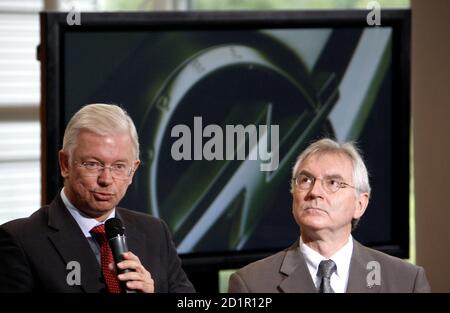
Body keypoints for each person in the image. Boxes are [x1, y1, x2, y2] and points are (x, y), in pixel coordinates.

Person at [0, 103, 195, 293]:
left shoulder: (155, 232)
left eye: (119, 166)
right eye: (93, 164)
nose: (106, 179)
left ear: (133, 170)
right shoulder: (21, 241)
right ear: (65, 164)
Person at [228, 138, 431, 293]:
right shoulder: (251, 283)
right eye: (306, 180)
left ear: (360, 204)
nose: (315, 192)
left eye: (333, 183)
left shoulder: (406, 281)